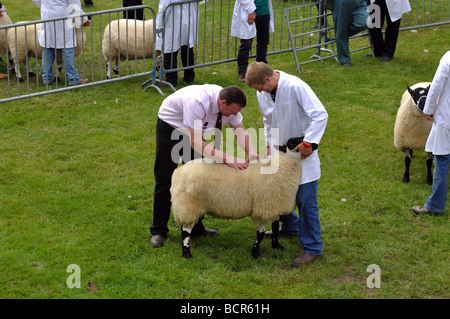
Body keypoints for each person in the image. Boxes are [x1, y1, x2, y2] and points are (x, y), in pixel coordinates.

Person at [151, 84, 259, 248]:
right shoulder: (197, 102)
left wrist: (251, 152)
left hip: (195, 133)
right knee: (165, 179)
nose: (235, 115)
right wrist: (228, 158)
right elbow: (195, 142)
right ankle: (158, 230)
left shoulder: (230, 104)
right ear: (222, 103)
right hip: (171, 127)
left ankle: (195, 228)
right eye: (233, 112)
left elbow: (239, 129)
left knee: (198, 180)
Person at [246, 62, 328, 266]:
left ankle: (313, 248)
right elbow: (267, 121)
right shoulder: (262, 93)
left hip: (301, 151)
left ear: (267, 79)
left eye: (261, 87)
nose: (260, 92)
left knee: (305, 198)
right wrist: (268, 144)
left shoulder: (295, 86)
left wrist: (309, 142)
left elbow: (320, 115)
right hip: (278, 151)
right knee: (278, 192)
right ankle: (291, 227)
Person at [412, 51, 450, 217]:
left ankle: (435, 205)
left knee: (441, 158)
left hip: (447, 116)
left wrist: (428, 109)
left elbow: (436, 84)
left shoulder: (448, 58)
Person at [33, 0, 90, 85]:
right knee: (67, 48)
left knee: (48, 47)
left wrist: (47, 6)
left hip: (47, 15)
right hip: (62, 17)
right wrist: (84, 20)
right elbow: (74, 6)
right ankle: (73, 79)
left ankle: (46, 78)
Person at [155, 0, 198, 88]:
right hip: (188, 18)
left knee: (170, 50)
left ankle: (171, 80)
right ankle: (189, 77)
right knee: (187, 48)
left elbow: (164, 7)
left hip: (173, 20)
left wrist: (159, 26)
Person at [231, 0, 274, 83]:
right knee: (246, 44)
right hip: (248, 12)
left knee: (263, 42)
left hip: (264, 11)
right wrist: (251, 11)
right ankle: (242, 72)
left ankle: (262, 69)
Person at [331, 0, 369, 66]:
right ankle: (345, 60)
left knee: (365, 22)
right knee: (341, 31)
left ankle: (341, 35)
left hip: (360, 2)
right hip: (340, 3)